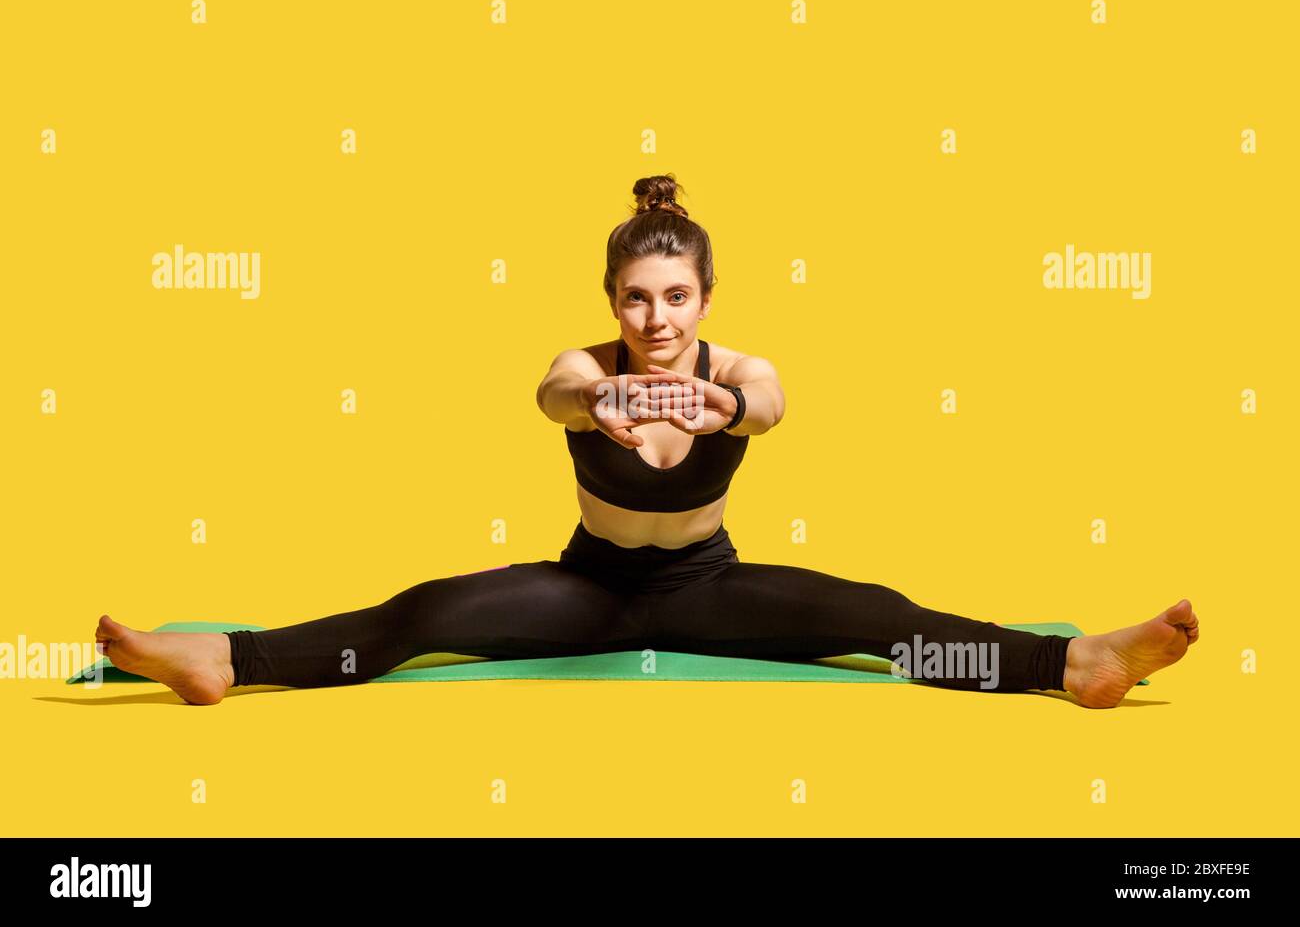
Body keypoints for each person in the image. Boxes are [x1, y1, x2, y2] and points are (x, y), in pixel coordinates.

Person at [93, 173, 1199, 708]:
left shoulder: (741, 370)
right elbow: (549, 394)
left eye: (675, 296)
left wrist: (725, 411)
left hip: (710, 585)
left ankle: (1076, 661)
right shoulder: (586, 366)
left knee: (883, 618)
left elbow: (769, 407)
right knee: (419, 615)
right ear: (612, 299)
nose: (655, 319)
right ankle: (220, 655)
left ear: (706, 294)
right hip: (590, 588)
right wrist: (595, 408)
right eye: (635, 298)